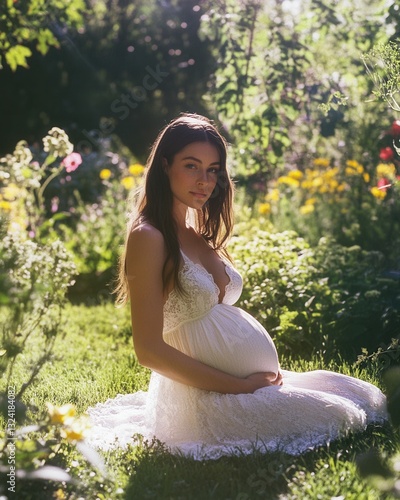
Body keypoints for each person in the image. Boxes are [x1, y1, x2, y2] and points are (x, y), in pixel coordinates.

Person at [87, 113, 387, 459]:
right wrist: (240, 387)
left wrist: (250, 381)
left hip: (244, 384)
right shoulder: (148, 237)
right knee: (341, 415)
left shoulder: (193, 230)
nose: (205, 181)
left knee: (360, 394)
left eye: (213, 169)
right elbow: (149, 350)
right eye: (192, 166)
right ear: (165, 165)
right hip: (205, 399)